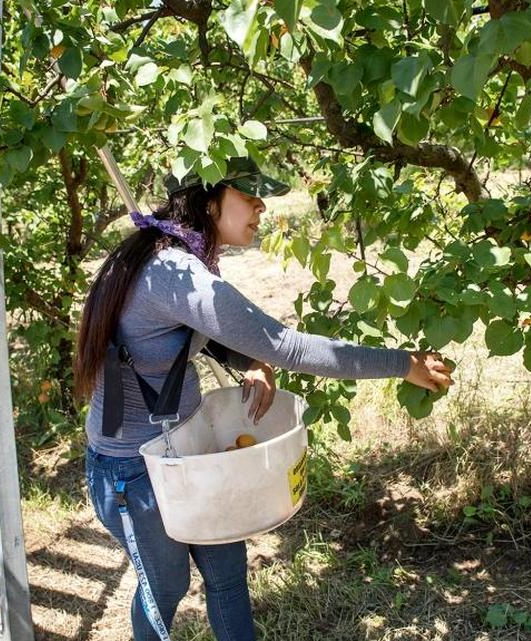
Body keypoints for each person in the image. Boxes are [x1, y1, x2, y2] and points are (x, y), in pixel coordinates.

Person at [72, 156, 454, 641]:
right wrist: (403, 364)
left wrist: (248, 360)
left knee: (228, 578)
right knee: (165, 589)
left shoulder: (170, 258)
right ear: (209, 202)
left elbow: (186, 333)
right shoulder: (174, 272)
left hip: (189, 450)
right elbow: (285, 345)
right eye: (248, 195)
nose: (261, 206)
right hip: (135, 471)